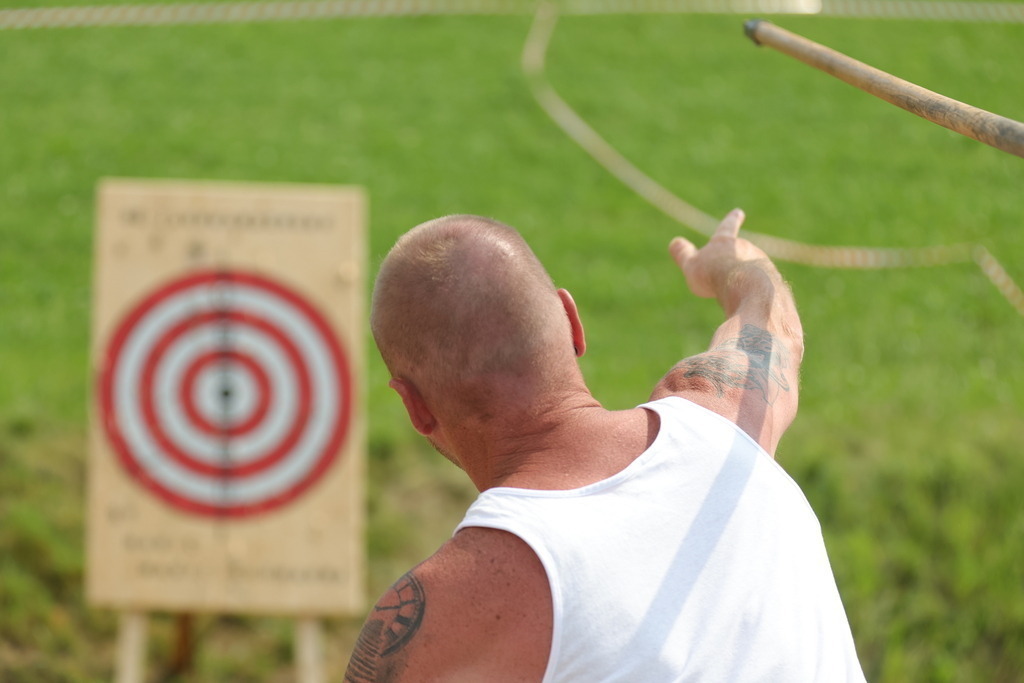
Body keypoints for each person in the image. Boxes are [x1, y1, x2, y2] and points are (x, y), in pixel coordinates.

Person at [346, 209, 866, 682]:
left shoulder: (445, 611)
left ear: (415, 406)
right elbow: (770, 318)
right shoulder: (727, 415)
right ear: (572, 321)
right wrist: (732, 265)